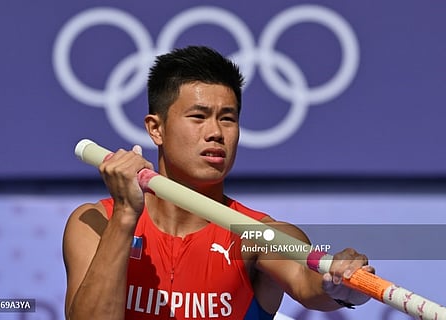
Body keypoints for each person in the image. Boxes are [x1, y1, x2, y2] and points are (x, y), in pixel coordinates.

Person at [62, 45, 374, 319]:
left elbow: (309, 284)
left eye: (227, 118)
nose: (216, 132)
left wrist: (341, 286)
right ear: (156, 129)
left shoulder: (259, 235)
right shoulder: (95, 222)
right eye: (198, 117)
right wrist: (125, 215)